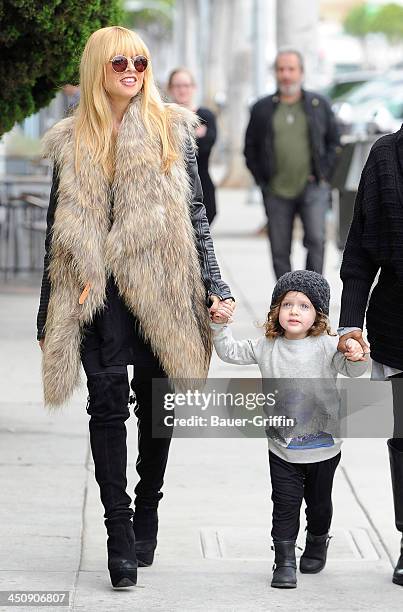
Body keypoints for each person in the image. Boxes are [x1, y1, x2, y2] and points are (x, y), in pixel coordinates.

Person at [36, 26, 234, 589]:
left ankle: (148, 502)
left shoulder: (172, 128)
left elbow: (197, 215)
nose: (132, 70)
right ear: (99, 67)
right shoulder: (70, 139)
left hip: (163, 285)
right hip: (96, 291)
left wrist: (214, 285)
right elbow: (58, 228)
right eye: (121, 61)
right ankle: (118, 534)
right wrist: (47, 314)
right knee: (105, 409)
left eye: (141, 62)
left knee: (156, 408)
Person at [210, 270, 367, 588]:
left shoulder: (327, 347)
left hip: (324, 448)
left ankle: (317, 540)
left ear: (318, 316)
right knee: (284, 505)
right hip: (281, 449)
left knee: (319, 504)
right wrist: (218, 326)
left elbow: (353, 370)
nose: (294, 311)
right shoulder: (266, 346)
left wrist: (355, 353)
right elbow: (230, 352)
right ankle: (283, 561)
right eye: (287, 304)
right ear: (275, 311)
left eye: (304, 306)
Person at [337, 127, 403, 586]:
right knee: (402, 441)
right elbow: (360, 249)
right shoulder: (384, 157)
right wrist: (349, 322)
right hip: (396, 330)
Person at [244, 49, 340, 279]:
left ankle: (314, 299)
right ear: (276, 73)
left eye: (291, 69)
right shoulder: (262, 108)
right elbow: (250, 149)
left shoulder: (319, 104)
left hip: (313, 187)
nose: (286, 75)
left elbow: (334, 143)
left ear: (301, 72)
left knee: (317, 241)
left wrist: (323, 174)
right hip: (276, 190)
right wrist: (263, 180)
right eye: (281, 69)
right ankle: (284, 300)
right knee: (279, 249)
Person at [167, 68, 218, 225]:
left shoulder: (205, 115)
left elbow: (206, 146)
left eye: (186, 85)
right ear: (170, 88)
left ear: (193, 88)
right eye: (177, 86)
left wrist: (177, 137)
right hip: (171, 187)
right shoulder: (163, 116)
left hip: (202, 184)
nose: (182, 90)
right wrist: (194, 135)